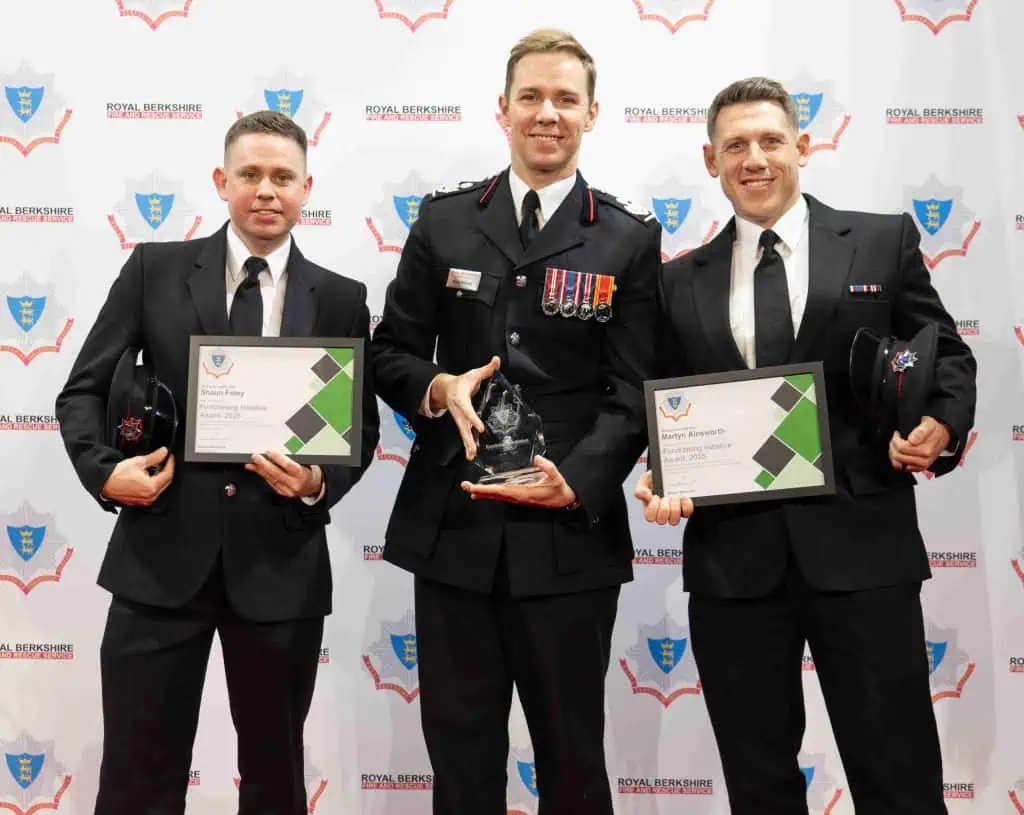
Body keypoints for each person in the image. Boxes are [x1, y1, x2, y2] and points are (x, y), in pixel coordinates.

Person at [635, 76, 977, 815]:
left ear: (803, 146)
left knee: (899, 776)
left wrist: (941, 425)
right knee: (757, 783)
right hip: (733, 564)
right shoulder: (674, 282)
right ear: (711, 160)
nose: (754, 158)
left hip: (863, 551)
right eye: (735, 145)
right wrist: (658, 473)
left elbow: (946, 355)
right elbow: (665, 403)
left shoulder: (881, 241)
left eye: (770, 140)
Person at [54, 110, 379, 815]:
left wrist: (318, 482)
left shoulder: (342, 297)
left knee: (274, 780)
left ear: (306, 188)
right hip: (158, 561)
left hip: (281, 572)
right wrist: (105, 472)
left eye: (283, 177)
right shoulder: (154, 270)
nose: (266, 190)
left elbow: (360, 430)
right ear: (221, 181)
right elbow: (82, 391)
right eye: (250, 174)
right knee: (138, 775)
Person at [371, 28, 661, 815]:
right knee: (460, 760)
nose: (547, 113)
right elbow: (390, 352)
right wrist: (438, 386)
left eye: (566, 98)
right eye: (531, 96)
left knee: (573, 760)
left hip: (568, 539)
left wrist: (581, 480)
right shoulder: (444, 221)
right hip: (454, 528)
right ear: (502, 109)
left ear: (592, 113)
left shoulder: (629, 237)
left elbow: (635, 388)